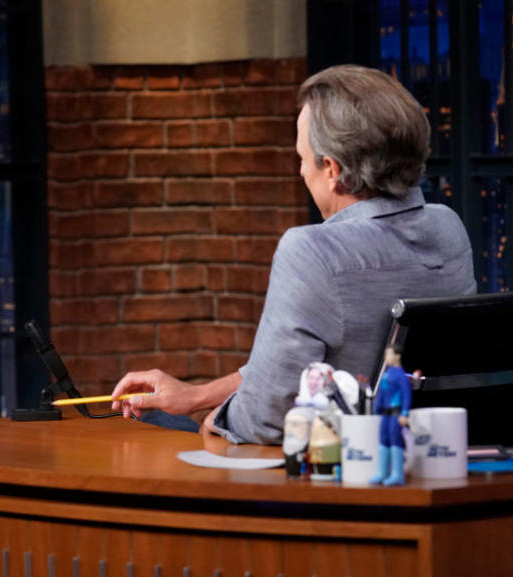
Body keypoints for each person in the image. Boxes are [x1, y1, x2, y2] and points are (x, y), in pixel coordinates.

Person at [111, 64, 475, 444]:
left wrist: (213, 417)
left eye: (302, 158)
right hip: (432, 452)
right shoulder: (448, 228)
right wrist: (195, 396)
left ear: (331, 170)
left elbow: (264, 419)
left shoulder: (313, 252)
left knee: (144, 435)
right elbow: (284, 373)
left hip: (335, 469)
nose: (301, 172)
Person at [370, 347, 412, 486]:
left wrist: (405, 413)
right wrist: (377, 407)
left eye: (389, 354)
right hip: (385, 414)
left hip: (396, 414)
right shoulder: (386, 375)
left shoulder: (401, 376)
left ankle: (397, 474)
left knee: (395, 440)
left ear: (398, 356)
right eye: (385, 354)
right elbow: (381, 394)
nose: (386, 357)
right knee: (383, 439)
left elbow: (406, 396)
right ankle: (382, 472)